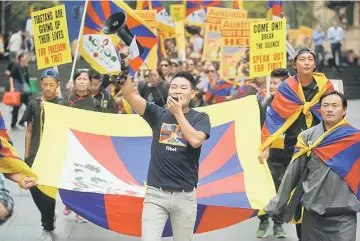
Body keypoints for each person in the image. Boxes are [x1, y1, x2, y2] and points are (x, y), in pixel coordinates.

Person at [120, 48, 211, 241]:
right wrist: (125, 64)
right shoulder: (157, 114)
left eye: (183, 88)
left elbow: (195, 140)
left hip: (185, 197)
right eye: (174, 87)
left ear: (193, 93)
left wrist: (178, 113)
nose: (178, 91)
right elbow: (128, 94)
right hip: (155, 195)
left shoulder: (200, 117)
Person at [259, 48, 334, 241]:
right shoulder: (286, 89)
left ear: (315, 64)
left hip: (322, 149)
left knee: (320, 194)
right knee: (300, 196)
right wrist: (265, 146)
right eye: (302, 59)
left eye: (310, 59)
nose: (307, 62)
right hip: (294, 151)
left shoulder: (325, 86)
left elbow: (338, 113)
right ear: (295, 65)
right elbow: (274, 118)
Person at [265, 91, 360, 241]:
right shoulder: (307, 137)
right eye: (325, 105)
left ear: (344, 110)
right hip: (312, 214)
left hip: (344, 216)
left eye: (335, 106)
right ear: (319, 109)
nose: (329, 109)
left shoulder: (356, 139)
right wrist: (275, 205)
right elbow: (292, 174)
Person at [21, 69, 65, 241]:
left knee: (48, 194)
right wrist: (26, 156)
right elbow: (29, 131)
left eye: (51, 85)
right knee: (33, 188)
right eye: (45, 84)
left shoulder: (62, 105)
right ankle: (48, 214)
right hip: (34, 154)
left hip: (53, 155)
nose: (48, 88)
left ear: (58, 85)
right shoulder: (33, 104)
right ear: (41, 84)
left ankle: (47, 227)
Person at [256, 68, 289, 238]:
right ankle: (263, 221)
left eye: (276, 83)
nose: (272, 86)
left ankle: (278, 224)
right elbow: (258, 130)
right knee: (264, 189)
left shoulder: (294, 105)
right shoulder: (265, 104)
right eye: (271, 83)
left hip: (287, 157)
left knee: (282, 191)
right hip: (267, 157)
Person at [9, 53, 31, 129]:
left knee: (29, 106)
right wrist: (12, 87)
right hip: (18, 90)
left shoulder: (25, 67)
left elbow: (27, 79)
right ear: (21, 58)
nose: (26, 57)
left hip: (24, 91)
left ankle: (22, 121)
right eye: (25, 56)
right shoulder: (16, 66)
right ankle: (13, 123)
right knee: (16, 107)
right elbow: (11, 76)